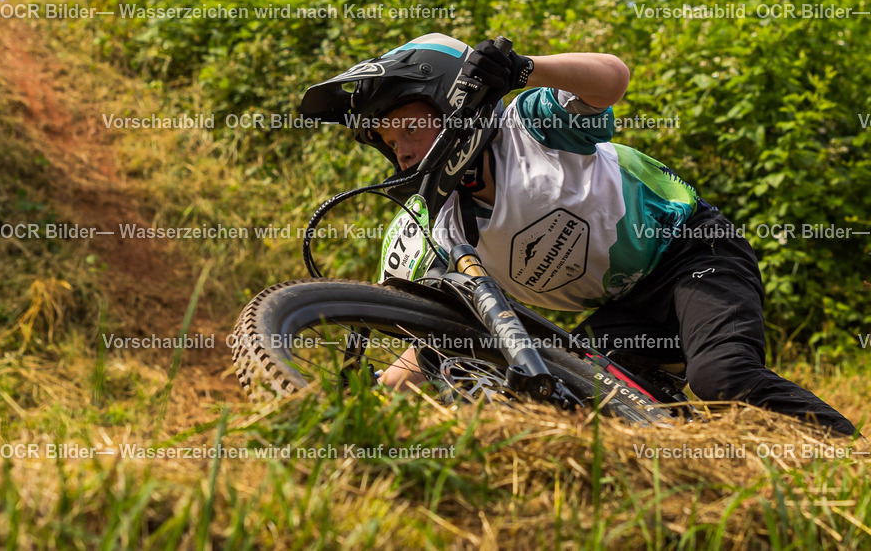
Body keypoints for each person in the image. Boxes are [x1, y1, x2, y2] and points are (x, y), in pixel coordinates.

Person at [299, 32, 858, 436]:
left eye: (410, 126)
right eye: (387, 140)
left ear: (450, 101)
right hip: (622, 308)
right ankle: (698, 467)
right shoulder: (438, 226)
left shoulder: (530, 125)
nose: (399, 147)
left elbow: (611, 78)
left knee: (724, 377)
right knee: (579, 404)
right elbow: (432, 340)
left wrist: (525, 68)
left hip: (690, 251)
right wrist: (371, 397)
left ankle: (851, 460)